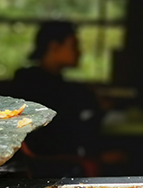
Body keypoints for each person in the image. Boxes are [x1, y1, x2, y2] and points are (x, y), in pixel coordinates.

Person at [11, 21, 102, 174]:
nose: (79, 52)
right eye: (74, 45)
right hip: (50, 163)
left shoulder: (60, 84)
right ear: (54, 47)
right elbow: (50, 139)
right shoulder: (32, 84)